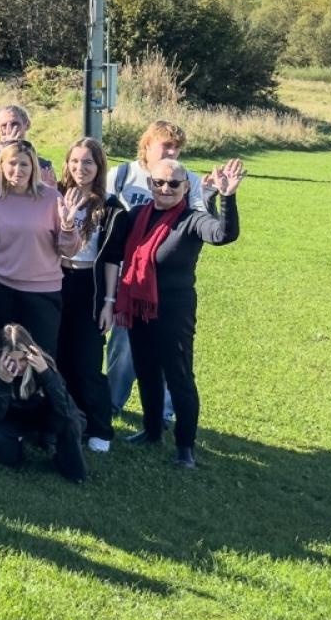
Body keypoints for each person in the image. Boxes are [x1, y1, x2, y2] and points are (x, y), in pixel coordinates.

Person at [102, 156, 244, 469]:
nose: (165, 188)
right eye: (159, 182)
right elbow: (110, 243)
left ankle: (185, 448)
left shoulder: (192, 221)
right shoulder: (138, 214)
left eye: (173, 184)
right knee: (147, 372)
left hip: (173, 313)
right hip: (138, 309)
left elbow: (224, 234)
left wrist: (227, 197)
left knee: (179, 378)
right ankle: (152, 431)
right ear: (150, 183)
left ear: (185, 186)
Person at [103, 120, 211, 415]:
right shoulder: (123, 175)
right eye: (167, 145)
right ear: (147, 146)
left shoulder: (186, 178)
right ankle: (112, 403)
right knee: (123, 348)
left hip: (168, 283)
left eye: (177, 147)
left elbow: (201, 224)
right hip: (127, 281)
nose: (173, 152)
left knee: (167, 352)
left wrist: (214, 197)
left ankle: (162, 412)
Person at [0, 140, 84, 357]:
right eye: (12, 163)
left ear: (33, 167)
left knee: (39, 357)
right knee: (2, 354)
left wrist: (68, 226)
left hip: (41, 292)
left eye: (24, 164)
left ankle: (37, 393)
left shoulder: (51, 198)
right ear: (2, 166)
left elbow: (69, 250)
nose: (18, 170)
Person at [56, 137, 124, 453]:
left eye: (87, 162)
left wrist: (110, 302)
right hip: (55, 281)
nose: (80, 168)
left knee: (87, 361)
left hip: (89, 287)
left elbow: (112, 259)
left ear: (98, 167)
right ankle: (68, 420)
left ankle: (101, 428)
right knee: (58, 356)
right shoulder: (55, 196)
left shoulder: (110, 208)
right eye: (74, 161)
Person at [0, 323, 88, 483]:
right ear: (2, 356)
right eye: (12, 359)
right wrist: (3, 384)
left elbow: (66, 408)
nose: (19, 366)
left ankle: (55, 447)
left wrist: (47, 375)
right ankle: (21, 448)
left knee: (72, 422)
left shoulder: (42, 364)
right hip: (14, 421)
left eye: (23, 359)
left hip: (46, 417)